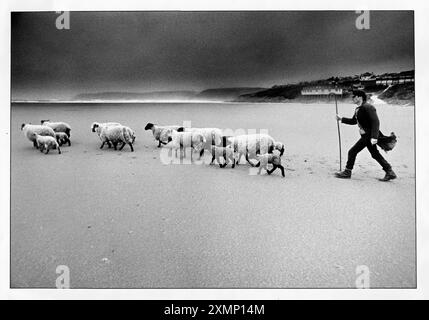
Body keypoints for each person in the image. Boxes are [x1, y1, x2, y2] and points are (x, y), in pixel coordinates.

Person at [335, 90, 397, 181]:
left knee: (352, 151)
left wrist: (374, 137)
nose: (352, 98)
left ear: (359, 97)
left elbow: (375, 122)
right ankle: (389, 171)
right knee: (375, 154)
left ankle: (347, 172)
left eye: (354, 96)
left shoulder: (368, 107)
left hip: (369, 136)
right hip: (366, 136)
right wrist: (341, 119)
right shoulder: (358, 109)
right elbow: (354, 121)